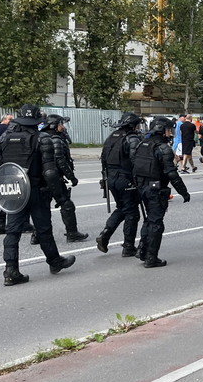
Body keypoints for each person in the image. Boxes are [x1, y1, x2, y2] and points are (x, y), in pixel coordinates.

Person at [0, 104, 76, 286]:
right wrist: (61, 197)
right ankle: (54, 262)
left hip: (14, 189)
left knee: (12, 231)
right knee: (43, 229)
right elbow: (50, 173)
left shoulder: (4, 137)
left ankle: (11, 270)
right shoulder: (42, 138)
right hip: (36, 190)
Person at [133, 117, 191, 268]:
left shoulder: (142, 145)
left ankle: (142, 250)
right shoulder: (163, 148)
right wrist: (184, 192)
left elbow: (134, 166)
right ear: (162, 130)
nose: (170, 133)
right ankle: (151, 258)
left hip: (142, 188)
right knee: (156, 223)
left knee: (149, 220)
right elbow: (171, 174)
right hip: (155, 190)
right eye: (168, 129)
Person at [97, 112, 144, 257]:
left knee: (122, 208)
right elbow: (136, 160)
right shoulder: (131, 138)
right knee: (132, 213)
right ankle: (128, 246)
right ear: (133, 125)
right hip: (126, 179)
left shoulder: (112, 137)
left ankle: (105, 234)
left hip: (111, 179)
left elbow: (103, 158)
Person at [39, 115, 89, 242]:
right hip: (54, 178)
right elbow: (60, 161)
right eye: (61, 124)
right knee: (67, 205)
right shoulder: (55, 140)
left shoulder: (41, 137)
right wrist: (72, 178)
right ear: (54, 126)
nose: (63, 126)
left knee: (42, 207)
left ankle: (37, 235)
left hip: (41, 178)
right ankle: (72, 233)